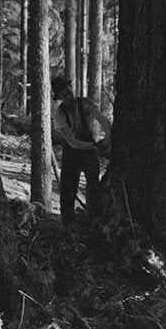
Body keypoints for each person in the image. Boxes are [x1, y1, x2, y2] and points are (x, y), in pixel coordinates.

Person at [51, 75, 112, 227]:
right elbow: (72, 141)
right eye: (64, 95)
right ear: (59, 97)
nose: (68, 96)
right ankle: (68, 224)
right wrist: (95, 147)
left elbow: (103, 120)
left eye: (69, 91)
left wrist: (107, 137)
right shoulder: (59, 114)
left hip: (89, 150)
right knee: (68, 188)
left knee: (93, 185)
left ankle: (93, 220)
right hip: (73, 151)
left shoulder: (84, 103)